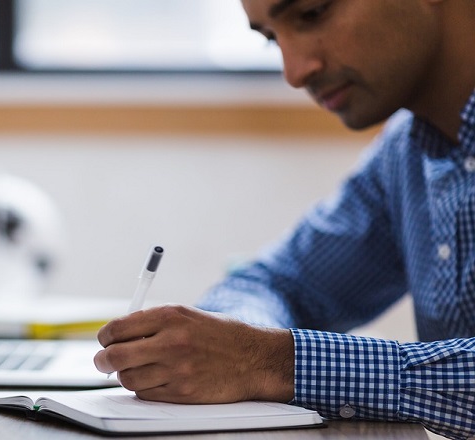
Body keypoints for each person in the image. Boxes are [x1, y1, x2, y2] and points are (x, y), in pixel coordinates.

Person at [92, 1, 475, 439]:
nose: (294, 73)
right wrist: (231, 346)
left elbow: (268, 353)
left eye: (312, 13)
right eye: (272, 38)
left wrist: (273, 361)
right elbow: (276, 283)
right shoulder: (407, 154)